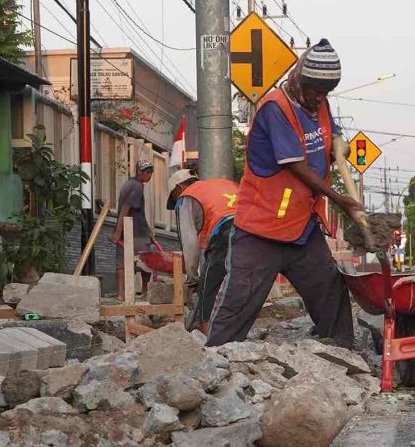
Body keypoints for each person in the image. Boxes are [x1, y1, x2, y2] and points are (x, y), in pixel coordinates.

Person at [206, 38, 363, 348]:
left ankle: (345, 356)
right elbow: (297, 166)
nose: (320, 97)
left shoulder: (319, 104)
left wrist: (339, 145)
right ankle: (214, 360)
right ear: (299, 79)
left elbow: (330, 136)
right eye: (315, 90)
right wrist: (340, 200)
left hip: (301, 228)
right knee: (238, 303)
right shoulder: (275, 108)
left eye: (326, 92)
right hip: (261, 230)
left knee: (330, 291)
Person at [166, 169, 237, 334]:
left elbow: (189, 243)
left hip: (227, 230)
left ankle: (208, 336)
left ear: (178, 189)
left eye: (175, 198)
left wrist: (192, 280)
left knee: (208, 287)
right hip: (253, 229)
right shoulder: (219, 186)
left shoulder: (187, 196)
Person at [112, 159, 157, 300]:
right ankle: (144, 291)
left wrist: (119, 231)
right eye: (147, 172)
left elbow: (137, 213)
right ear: (139, 171)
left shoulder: (129, 184)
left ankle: (121, 294)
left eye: (150, 173)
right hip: (136, 232)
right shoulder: (137, 187)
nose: (149, 175)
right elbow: (125, 209)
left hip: (129, 230)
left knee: (122, 262)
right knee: (146, 261)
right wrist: (118, 232)